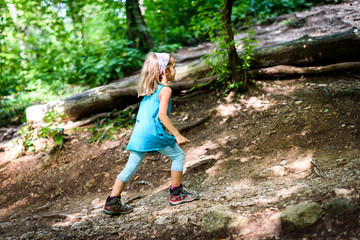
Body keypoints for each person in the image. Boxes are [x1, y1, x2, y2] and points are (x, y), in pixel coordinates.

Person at [103, 52, 199, 216]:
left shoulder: (150, 91)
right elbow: (162, 115)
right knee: (178, 156)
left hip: (139, 135)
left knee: (130, 168)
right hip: (152, 134)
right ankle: (176, 194)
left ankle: (112, 202)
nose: (175, 70)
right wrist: (177, 135)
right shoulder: (166, 89)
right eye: (173, 67)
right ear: (164, 71)